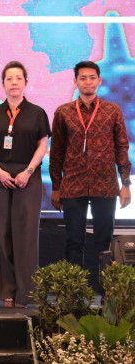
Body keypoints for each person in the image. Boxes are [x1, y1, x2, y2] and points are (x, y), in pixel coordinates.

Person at [0, 61, 50, 308]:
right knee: (0, 233)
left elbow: (43, 144)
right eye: (9, 79)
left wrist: (28, 171)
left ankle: (25, 293)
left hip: (27, 177)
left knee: (26, 234)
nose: (14, 83)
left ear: (26, 83)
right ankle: (6, 291)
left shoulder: (37, 113)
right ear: (3, 84)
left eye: (18, 78)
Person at [50, 61, 131, 270]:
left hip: (104, 185)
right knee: (74, 241)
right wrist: (56, 187)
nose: (88, 82)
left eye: (92, 77)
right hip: (72, 185)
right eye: (83, 78)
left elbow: (122, 147)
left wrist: (125, 183)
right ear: (75, 81)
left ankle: (107, 296)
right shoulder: (63, 112)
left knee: (104, 242)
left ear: (99, 80)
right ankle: (74, 295)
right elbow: (56, 152)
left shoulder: (112, 111)